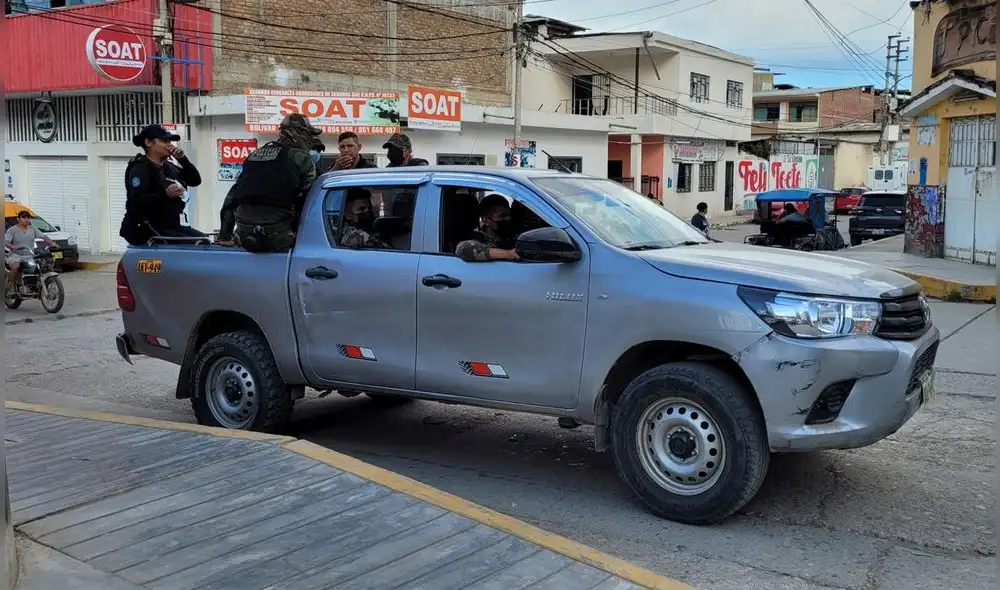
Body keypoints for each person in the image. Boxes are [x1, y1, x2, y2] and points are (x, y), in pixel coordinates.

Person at [226, 114, 320, 253]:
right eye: (308, 134)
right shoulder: (301, 157)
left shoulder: (254, 155)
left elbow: (232, 196)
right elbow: (310, 199)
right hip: (279, 236)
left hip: (244, 235)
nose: (310, 139)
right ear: (297, 133)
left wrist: (224, 234)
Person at [119, 124, 205, 246]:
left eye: (170, 141)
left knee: (204, 240)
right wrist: (165, 195)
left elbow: (195, 180)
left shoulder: (169, 167)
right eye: (164, 141)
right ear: (148, 143)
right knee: (193, 244)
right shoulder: (139, 168)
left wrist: (182, 159)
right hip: (146, 227)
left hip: (170, 225)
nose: (169, 145)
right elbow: (137, 200)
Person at [5, 210, 56, 296]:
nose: (26, 219)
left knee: (44, 265)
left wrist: (52, 243)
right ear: (18, 219)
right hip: (15, 255)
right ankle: (11, 287)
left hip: (29, 255)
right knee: (15, 266)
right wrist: (12, 246)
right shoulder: (12, 230)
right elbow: (6, 242)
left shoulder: (33, 229)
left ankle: (37, 285)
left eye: (28, 217)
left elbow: (43, 236)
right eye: (24, 217)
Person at [455, 194, 520, 262]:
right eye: (502, 216)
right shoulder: (478, 238)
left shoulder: (508, 236)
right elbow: (463, 249)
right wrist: (509, 254)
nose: (508, 219)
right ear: (485, 220)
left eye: (509, 215)